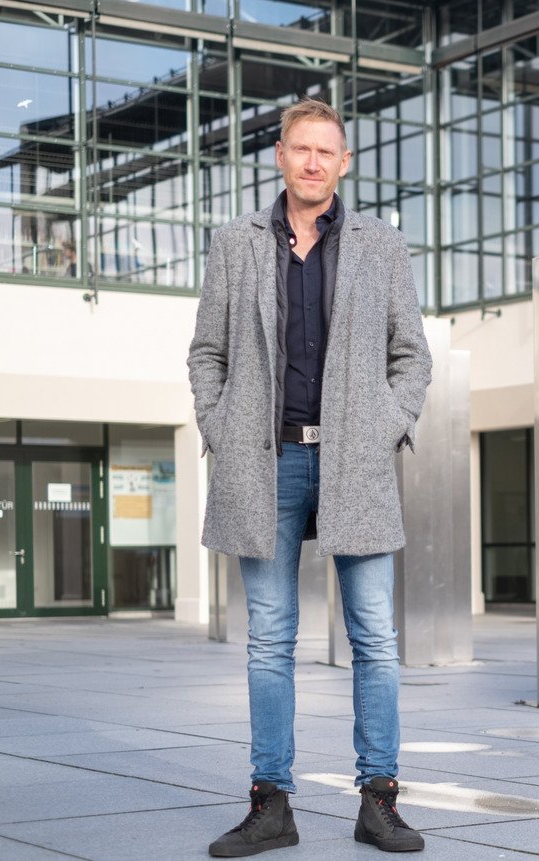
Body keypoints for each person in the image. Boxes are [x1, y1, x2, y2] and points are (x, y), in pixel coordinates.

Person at [188, 97, 431, 856]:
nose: (314, 162)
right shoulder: (235, 244)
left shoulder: (380, 245)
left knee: (375, 637)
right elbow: (207, 353)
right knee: (269, 639)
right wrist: (219, 424)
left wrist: (387, 422)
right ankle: (271, 801)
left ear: (344, 161)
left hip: (354, 458)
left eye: (327, 151)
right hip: (269, 461)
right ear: (280, 156)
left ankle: (380, 797)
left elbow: (410, 354)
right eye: (301, 149)